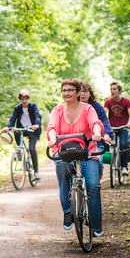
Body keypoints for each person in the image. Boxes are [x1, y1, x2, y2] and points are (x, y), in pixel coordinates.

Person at [47, 78, 105, 236]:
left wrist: (97, 133)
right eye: (64, 90)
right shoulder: (57, 110)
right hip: (64, 153)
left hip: (87, 152)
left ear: (78, 92)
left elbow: (95, 123)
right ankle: (68, 212)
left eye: (70, 90)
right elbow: (51, 127)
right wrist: (52, 138)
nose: (67, 93)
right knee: (63, 178)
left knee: (93, 185)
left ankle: (96, 223)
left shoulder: (88, 109)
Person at [104, 81, 130, 176]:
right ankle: (107, 163)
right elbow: (105, 114)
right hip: (111, 128)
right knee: (106, 144)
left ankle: (124, 167)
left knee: (123, 145)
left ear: (119, 91)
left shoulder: (126, 101)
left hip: (123, 127)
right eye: (111, 89)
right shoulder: (108, 102)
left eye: (114, 89)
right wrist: (105, 125)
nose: (112, 91)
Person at [6, 89, 42, 173]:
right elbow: (13, 118)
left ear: (28, 98)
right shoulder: (17, 108)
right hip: (22, 129)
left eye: (26, 98)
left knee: (32, 149)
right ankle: (19, 151)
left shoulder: (33, 106)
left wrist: (36, 124)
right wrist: (9, 127)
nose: (24, 100)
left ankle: (36, 172)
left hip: (33, 130)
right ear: (20, 99)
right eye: (22, 98)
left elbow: (37, 116)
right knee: (16, 131)